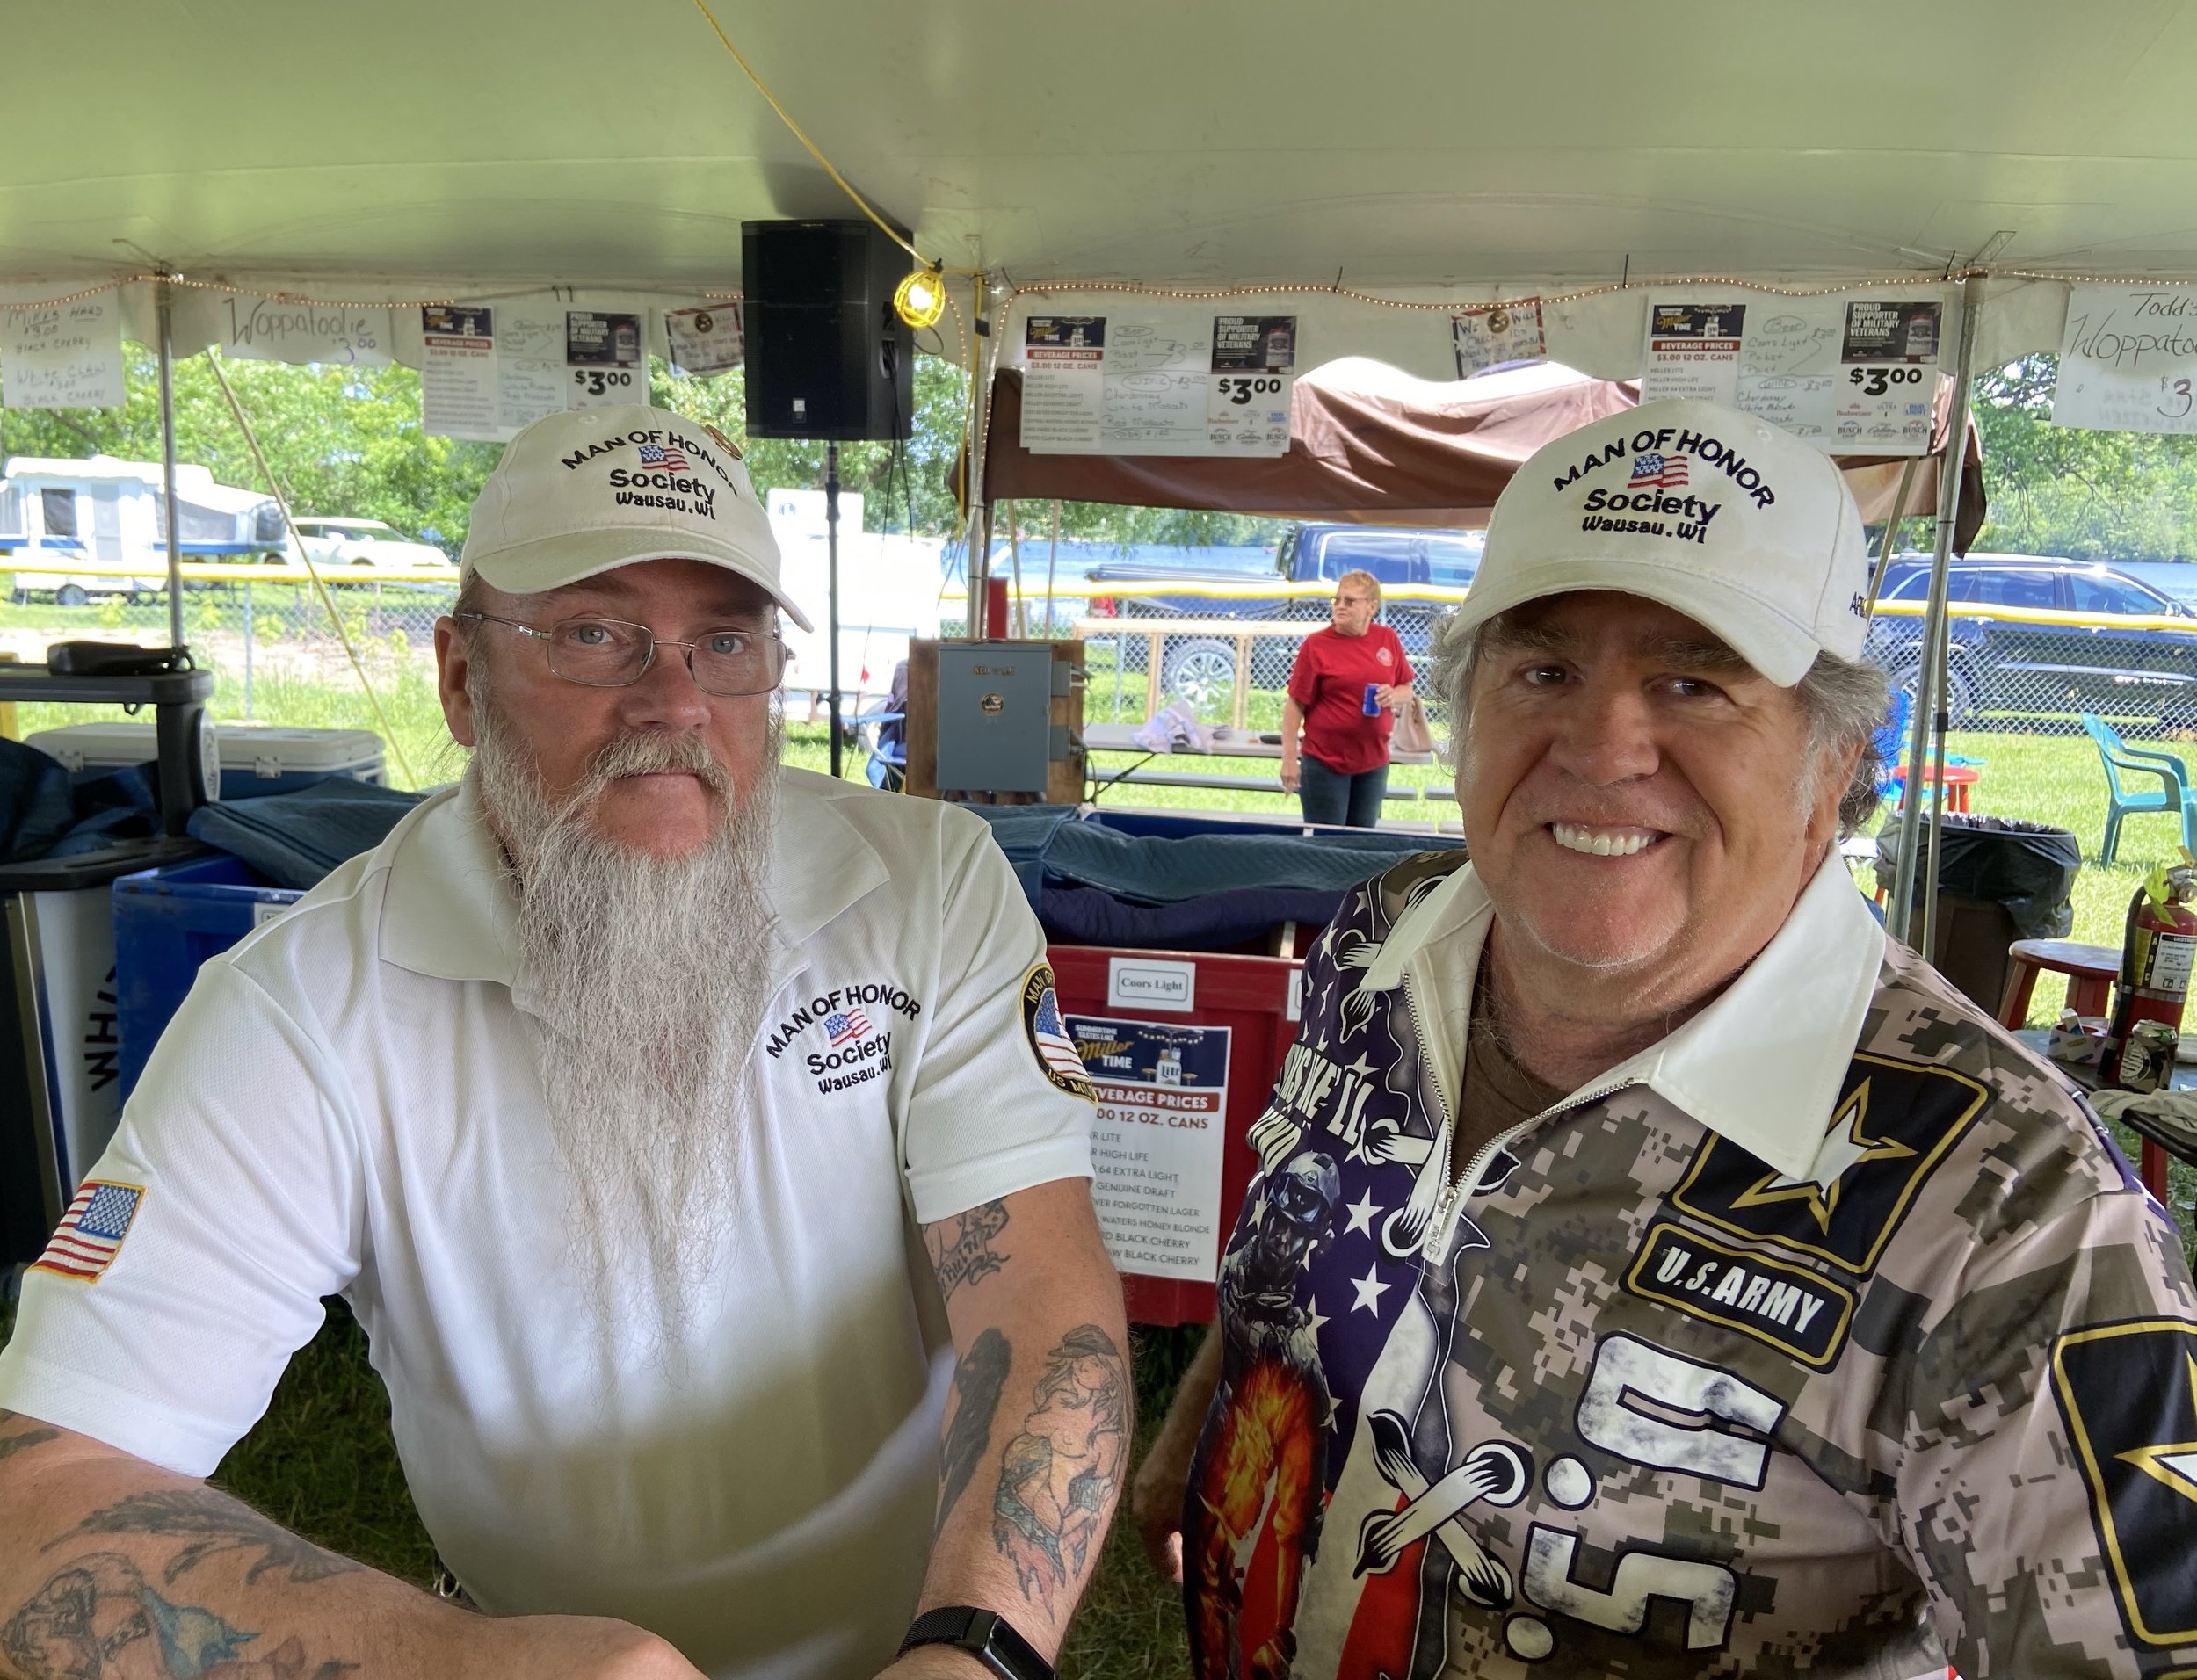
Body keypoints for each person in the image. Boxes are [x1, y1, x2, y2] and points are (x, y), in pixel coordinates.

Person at [0, 405, 1127, 1680]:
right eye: (594, 634)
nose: (676, 704)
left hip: (924, 1628)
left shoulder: (925, 888)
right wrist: (475, 1665)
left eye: (726, 640)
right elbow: (41, 1496)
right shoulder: (307, 1006)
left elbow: (1036, 1291)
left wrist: (977, 1650)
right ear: (460, 677)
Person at [1135, 398, 2197, 1679]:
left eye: (1695, 682)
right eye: (1544, 671)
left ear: (1837, 765)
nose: (1601, 747)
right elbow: (1301, 1210)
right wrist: (1199, 1423)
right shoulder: (1387, 930)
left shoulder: (2020, 1214)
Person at [1279, 569, 1412, 827]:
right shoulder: (1316, 645)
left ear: (1371, 607)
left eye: (1350, 601)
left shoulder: (1387, 639)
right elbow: (1295, 704)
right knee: (1328, 845)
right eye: (1336, 599)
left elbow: (1407, 688)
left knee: (1362, 843)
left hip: (1373, 762)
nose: (1340, 606)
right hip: (1325, 762)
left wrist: (1393, 694)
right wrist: (1288, 759)